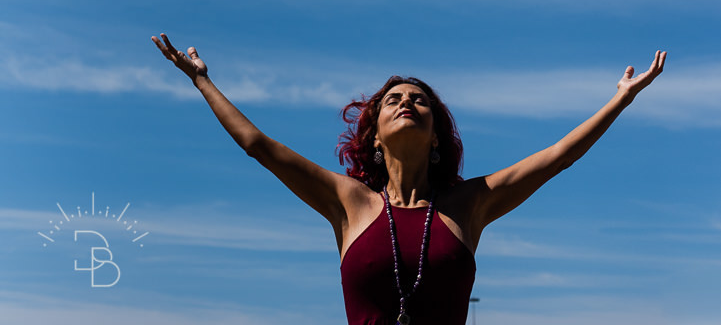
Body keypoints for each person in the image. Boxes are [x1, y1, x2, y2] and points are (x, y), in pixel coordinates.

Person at [152, 34, 666, 325]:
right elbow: (259, 147)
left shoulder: (469, 204)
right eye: (393, 100)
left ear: (437, 135)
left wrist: (621, 98)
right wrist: (202, 80)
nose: (406, 103)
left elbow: (558, 156)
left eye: (419, 100)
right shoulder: (348, 202)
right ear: (374, 135)